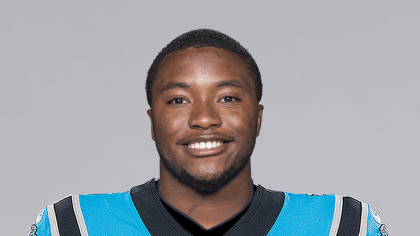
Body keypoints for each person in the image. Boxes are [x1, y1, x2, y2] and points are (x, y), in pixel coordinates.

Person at [30, 29, 388, 236]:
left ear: (258, 117)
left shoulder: (340, 226)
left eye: (228, 97)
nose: (204, 118)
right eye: (178, 100)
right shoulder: (73, 226)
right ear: (153, 122)